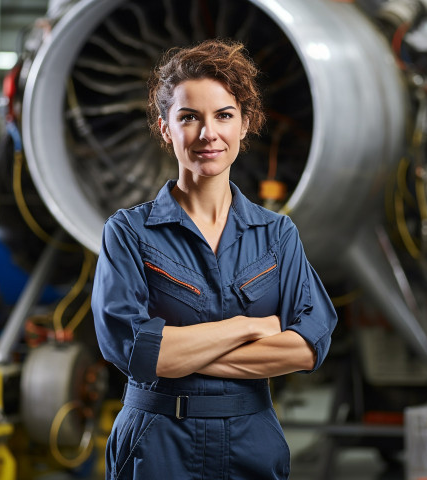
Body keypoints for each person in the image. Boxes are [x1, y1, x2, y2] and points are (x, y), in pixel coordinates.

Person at [91, 38, 338, 480]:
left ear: (245, 124)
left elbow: (306, 346)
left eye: (224, 116)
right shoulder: (128, 233)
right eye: (189, 117)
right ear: (166, 128)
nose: (209, 134)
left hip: (251, 441)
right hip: (156, 441)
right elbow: (132, 350)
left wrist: (176, 352)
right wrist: (248, 328)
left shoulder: (276, 235)